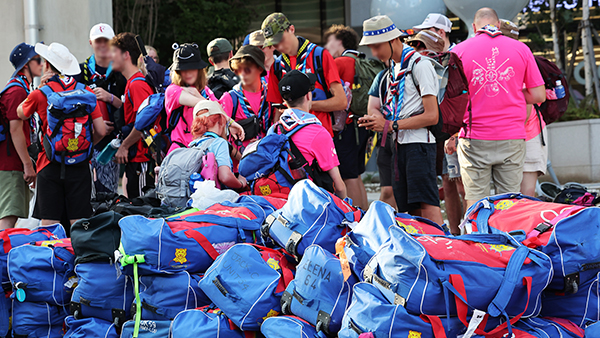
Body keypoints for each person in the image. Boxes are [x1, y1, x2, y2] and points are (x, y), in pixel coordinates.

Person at [450, 8, 546, 208]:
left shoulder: (458, 51)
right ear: (498, 25)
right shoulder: (521, 49)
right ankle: (508, 238)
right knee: (509, 202)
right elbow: (539, 95)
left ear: (474, 27)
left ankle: (477, 238)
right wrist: (513, 94)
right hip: (511, 137)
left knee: (475, 200)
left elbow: (449, 98)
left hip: (473, 137)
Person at [359, 15, 443, 225]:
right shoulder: (391, 70)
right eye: (371, 48)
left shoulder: (420, 64)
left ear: (393, 40)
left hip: (420, 144)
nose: (375, 53)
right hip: (399, 145)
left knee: (427, 205)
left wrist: (391, 125)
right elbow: (379, 107)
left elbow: (432, 116)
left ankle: (444, 247)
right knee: (407, 209)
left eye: (377, 46)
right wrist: (378, 122)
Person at [17, 42, 106, 226]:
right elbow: (101, 130)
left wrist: (37, 89)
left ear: (48, 65)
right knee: (79, 224)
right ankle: (79, 255)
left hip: (49, 163)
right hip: (80, 164)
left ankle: (54, 255)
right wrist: (83, 146)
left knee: (50, 224)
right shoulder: (86, 91)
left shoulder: (41, 93)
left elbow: (20, 113)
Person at [409, 29, 465, 234]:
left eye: (420, 46)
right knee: (448, 186)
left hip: (445, 134)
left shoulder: (442, 67)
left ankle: (463, 233)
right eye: (415, 47)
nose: (416, 51)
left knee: (457, 186)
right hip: (436, 134)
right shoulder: (417, 66)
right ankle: (454, 232)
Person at [262, 12, 347, 137]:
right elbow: (277, 111)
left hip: (320, 135)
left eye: (281, 40)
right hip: (291, 138)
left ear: (291, 29)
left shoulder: (319, 56)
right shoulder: (277, 67)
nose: (279, 46)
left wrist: (306, 104)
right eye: (274, 44)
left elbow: (341, 101)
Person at [497, 19, 548, 197]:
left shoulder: (516, 61)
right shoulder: (518, 57)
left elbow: (525, 108)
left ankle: (523, 225)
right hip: (522, 135)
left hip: (525, 135)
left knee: (523, 194)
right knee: (517, 193)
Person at [278, 70, 347, 199]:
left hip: (280, 201)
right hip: (309, 205)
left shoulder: (275, 129)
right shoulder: (318, 133)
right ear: (308, 96)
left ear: (283, 100)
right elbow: (339, 186)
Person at [75, 23, 126, 194]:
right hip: (85, 140)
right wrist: (95, 122)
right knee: (84, 193)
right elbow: (72, 107)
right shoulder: (79, 71)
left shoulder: (122, 71)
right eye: (98, 41)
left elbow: (132, 108)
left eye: (106, 40)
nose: (102, 45)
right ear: (91, 43)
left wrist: (110, 98)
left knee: (108, 193)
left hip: (111, 143)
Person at [324, 24, 369, 209]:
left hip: (345, 126)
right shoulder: (360, 60)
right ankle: (365, 214)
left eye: (330, 40)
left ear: (340, 41)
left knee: (348, 176)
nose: (327, 45)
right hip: (362, 123)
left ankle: (356, 219)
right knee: (356, 175)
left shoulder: (339, 63)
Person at [0, 43, 41, 229]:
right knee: (8, 217)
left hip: (12, 162)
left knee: (11, 215)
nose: (42, 64)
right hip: (11, 165)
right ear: (26, 64)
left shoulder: (21, 88)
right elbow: (15, 129)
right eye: (37, 60)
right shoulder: (17, 91)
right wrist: (27, 165)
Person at [110, 32, 155, 198]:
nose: (110, 57)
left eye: (114, 52)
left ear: (126, 55)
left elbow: (144, 123)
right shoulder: (132, 83)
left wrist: (124, 146)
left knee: (142, 210)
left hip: (141, 160)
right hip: (136, 161)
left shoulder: (137, 85)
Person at [219, 45, 272, 165]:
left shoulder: (270, 95)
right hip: (240, 166)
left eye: (247, 69)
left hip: (267, 161)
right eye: (238, 69)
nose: (242, 74)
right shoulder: (230, 98)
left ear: (260, 68)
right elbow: (220, 138)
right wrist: (242, 157)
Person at [164, 43, 218, 153]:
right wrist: (202, 99)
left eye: (192, 68)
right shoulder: (172, 90)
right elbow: (209, 105)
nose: (188, 73)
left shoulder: (205, 90)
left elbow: (220, 112)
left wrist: (197, 94)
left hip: (205, 150)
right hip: (181, 152)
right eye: (183, 69)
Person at [190, 100, 248, 190]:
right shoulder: (219, 143)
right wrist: (240, 183)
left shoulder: (193, 144)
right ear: (220, 120)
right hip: (217, 198)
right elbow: (225, 177)